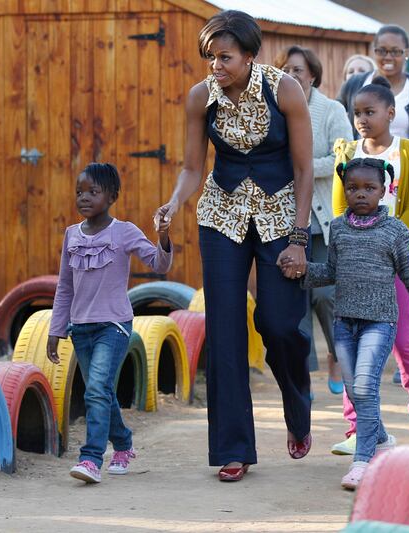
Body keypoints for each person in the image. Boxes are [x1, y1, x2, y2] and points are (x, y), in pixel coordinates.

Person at [153, 10, 314, 483]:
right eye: (210, 57)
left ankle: (297, 407)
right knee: (224, 330)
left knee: (280, 324)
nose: (215, 66)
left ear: (249, 55)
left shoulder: (284, 90)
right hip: (221, 216)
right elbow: (191, 168)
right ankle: (233, 447)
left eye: (224, 57)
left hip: (281, 215)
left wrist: (300, 239)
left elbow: (304, 171)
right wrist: (175, 201)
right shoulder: (201, 98)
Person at [293, 158, 409, 490]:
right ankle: (382, 438)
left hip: (380, 324)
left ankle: (363, 462)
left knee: (364, 387)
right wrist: (302, 272)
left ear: (384, 190)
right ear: (344, 190)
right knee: (355, 391)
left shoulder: (395, 231)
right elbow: (330, 272)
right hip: (345, 324)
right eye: (353, 188)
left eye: (369, 188)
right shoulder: (339, 228)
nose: (361, 194)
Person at [330, 77, 409, 455]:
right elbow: (339, 210)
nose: (361, 119)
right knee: (353, 350)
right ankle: (357, 428)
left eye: (370, 112)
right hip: (357, 268)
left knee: (407, 345)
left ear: (391, 114)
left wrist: (387, 251)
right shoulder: (346, 152)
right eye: (357, 112)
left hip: (396, 263)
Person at [47, 162, 173, 484]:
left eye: (93, 191)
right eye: (79, 192)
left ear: (112, 196)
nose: (84, 197)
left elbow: (159, 264)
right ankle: (124, 443)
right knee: (101, 391)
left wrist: (164, 237)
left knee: (97, 391)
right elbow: (64, 287)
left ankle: (90, 459)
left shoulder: (125, 231)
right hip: (80, 329)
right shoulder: (71, 235)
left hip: (114, 326)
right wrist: (56, 330)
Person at [275, 46, 352, 393]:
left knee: (325, 294)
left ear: (313, 75)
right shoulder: (276, 110)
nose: (292, 75)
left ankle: (340, 358)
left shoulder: (331, 110)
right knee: (294, 302)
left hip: (323, 219)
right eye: (286, 70)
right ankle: (302, 376)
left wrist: (304, 167)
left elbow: (343, 159)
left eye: (298, 70)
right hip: (287, 219)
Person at [337, 25, 409, 175]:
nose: (388, 57)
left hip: (406, 176)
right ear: (374, 51)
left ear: (407, 53)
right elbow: (335, 116)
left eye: (396, 51)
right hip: (360, 175)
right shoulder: (354, 85)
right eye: (382, 51)